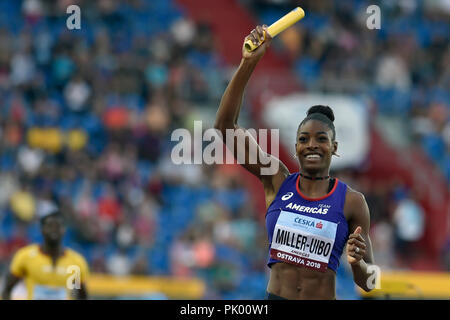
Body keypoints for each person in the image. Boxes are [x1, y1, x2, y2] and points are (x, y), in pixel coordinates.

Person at [214, 25, 375, 300]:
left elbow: (369, 283)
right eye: (304, 139)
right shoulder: (276, 179)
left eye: (321, 139)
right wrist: (247, 63)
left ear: (334, 148)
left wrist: (359, 263)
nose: (312, 144)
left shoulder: (352, 202)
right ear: (296, 147)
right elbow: (225, 127)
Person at [1, 201, 89, 300]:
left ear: (64, 229)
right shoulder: (25, 257)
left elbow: (77, 294)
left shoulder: (75, 263)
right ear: (42, 229)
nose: (54, 229)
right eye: (50, 226)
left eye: (58, 226)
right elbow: (7, 289)